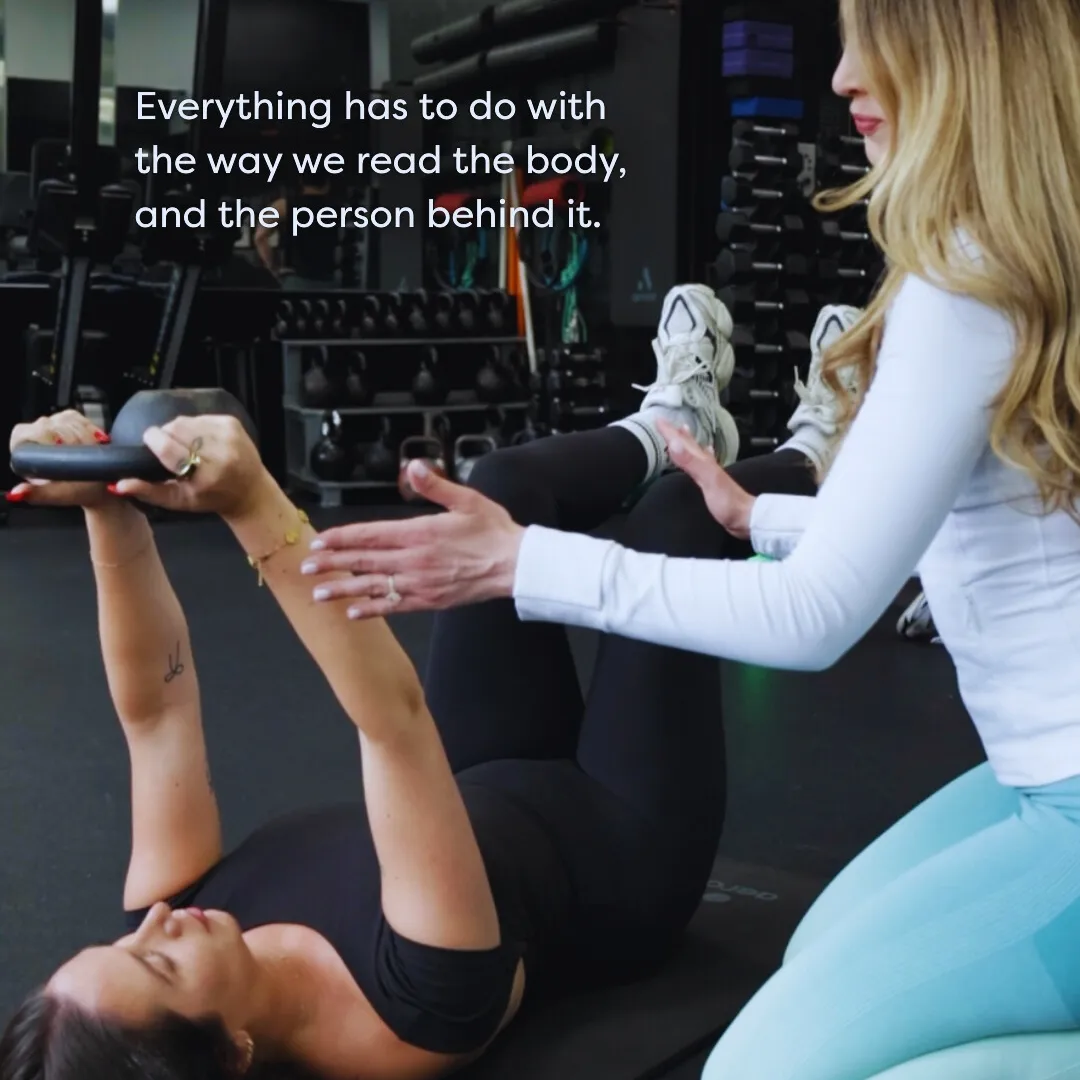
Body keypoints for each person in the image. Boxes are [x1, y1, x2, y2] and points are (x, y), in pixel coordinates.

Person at [299, 0, 1080, 1076]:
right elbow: (1008, 527)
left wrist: (522, 562)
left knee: (754, 1072)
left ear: (964, 57)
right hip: (1038, 775)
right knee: (812, 956)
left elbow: (813, 617)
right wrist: (768, 515)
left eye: (876, 40)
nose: (843, 75)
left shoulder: (965, 282)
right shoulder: (1029, 256)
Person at [0, 392, 730, 1080]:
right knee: (675, 520)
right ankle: (792, 458)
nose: (155, 923)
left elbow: (158, 717)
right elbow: (391, 720)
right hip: (615, 837)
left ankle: (677, 424)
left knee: (501, 491)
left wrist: (107, 505)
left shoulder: (177, 906)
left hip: (481, 775)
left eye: (122, 943)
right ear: (231, 1053)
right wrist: (255, 504)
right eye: (158, 964)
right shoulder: (417, 1004)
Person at [254, 170, 339, 290]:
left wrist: (273, 268)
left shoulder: (284, 205)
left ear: (301, 182)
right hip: (329, 281)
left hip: (296, 279)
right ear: (327, 184)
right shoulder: (338, 208)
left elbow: (260, 237)